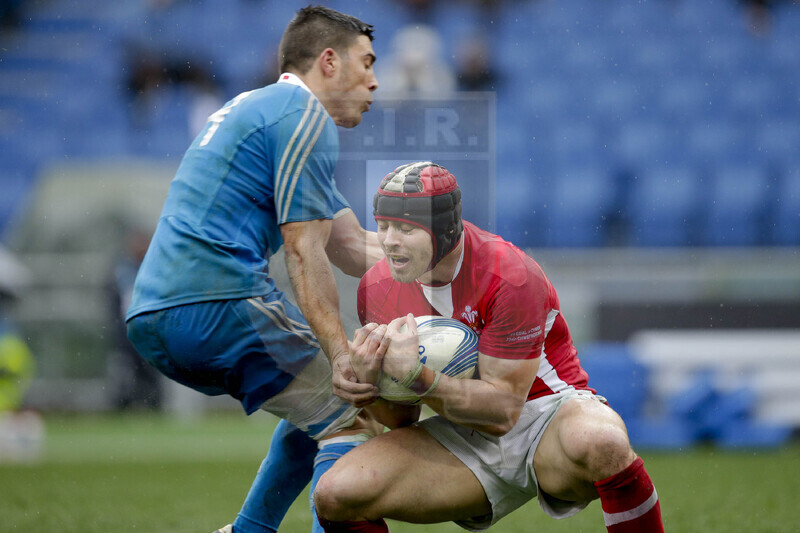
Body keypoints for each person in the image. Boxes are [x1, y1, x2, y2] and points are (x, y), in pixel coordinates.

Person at [125, 6, 384, 533]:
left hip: (154, 312)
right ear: (329, 61)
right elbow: (303, 253)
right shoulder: (305, 117)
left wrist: (449, 257)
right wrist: (340, 352)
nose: (375, 81)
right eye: (367, 62)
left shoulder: (267, 111)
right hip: (215, 301)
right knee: (357, 415)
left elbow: (352, 245)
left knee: (319, 409)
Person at [313, 162, 664, 533]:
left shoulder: (509, 274)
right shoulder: (377, 286)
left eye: (405, 228)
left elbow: (503, 413)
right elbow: (401, 420)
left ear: (447, 228)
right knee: (335, 494)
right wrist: (373, 386)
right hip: (459, 429)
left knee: (603, 441)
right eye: (383, 226)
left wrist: (416, 376)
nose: (389, 240)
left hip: (546, 416)